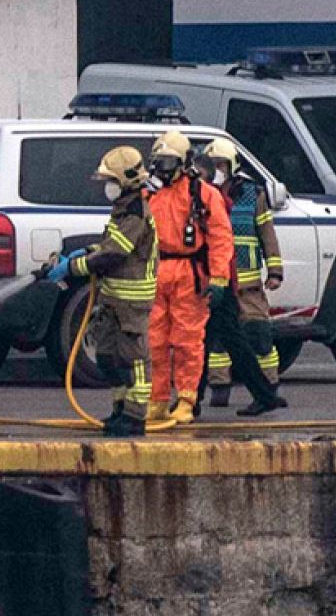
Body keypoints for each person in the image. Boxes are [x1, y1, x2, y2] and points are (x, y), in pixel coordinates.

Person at [46, 146, 157, 436]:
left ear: (127, 180)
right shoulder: (122, 209)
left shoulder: (135, 212)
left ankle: (135, 417)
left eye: (111, 181)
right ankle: (120, 409)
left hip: (132, 302)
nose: (107, 187)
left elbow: (114, 255)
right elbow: (109, 246)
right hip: (114, 300)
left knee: (134, 360)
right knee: (108, 357)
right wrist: (87, 250)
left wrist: (74, 268)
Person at [145, 129, 232, 425]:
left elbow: (220, 236)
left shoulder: (202, 194)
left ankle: (186, 399)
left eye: (168, 163)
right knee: (154, 340)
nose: (162, 169)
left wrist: (219, 277)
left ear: (184, 163)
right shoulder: (149, 194)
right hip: (157, 271)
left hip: (189, 274)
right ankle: (156, 399)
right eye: (158, 162)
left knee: (187, 340)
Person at [199, 138, 289, 417]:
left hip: (247, 281)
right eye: (213, 165)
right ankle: (219, 389)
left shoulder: (252, 193)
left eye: (221, 164)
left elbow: (266, 233)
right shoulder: (202, 194)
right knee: (215, 341)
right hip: (219, 280)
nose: (217, 170)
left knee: (259, 335)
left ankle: (269, 388)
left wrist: (274, 271)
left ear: (232, 165)